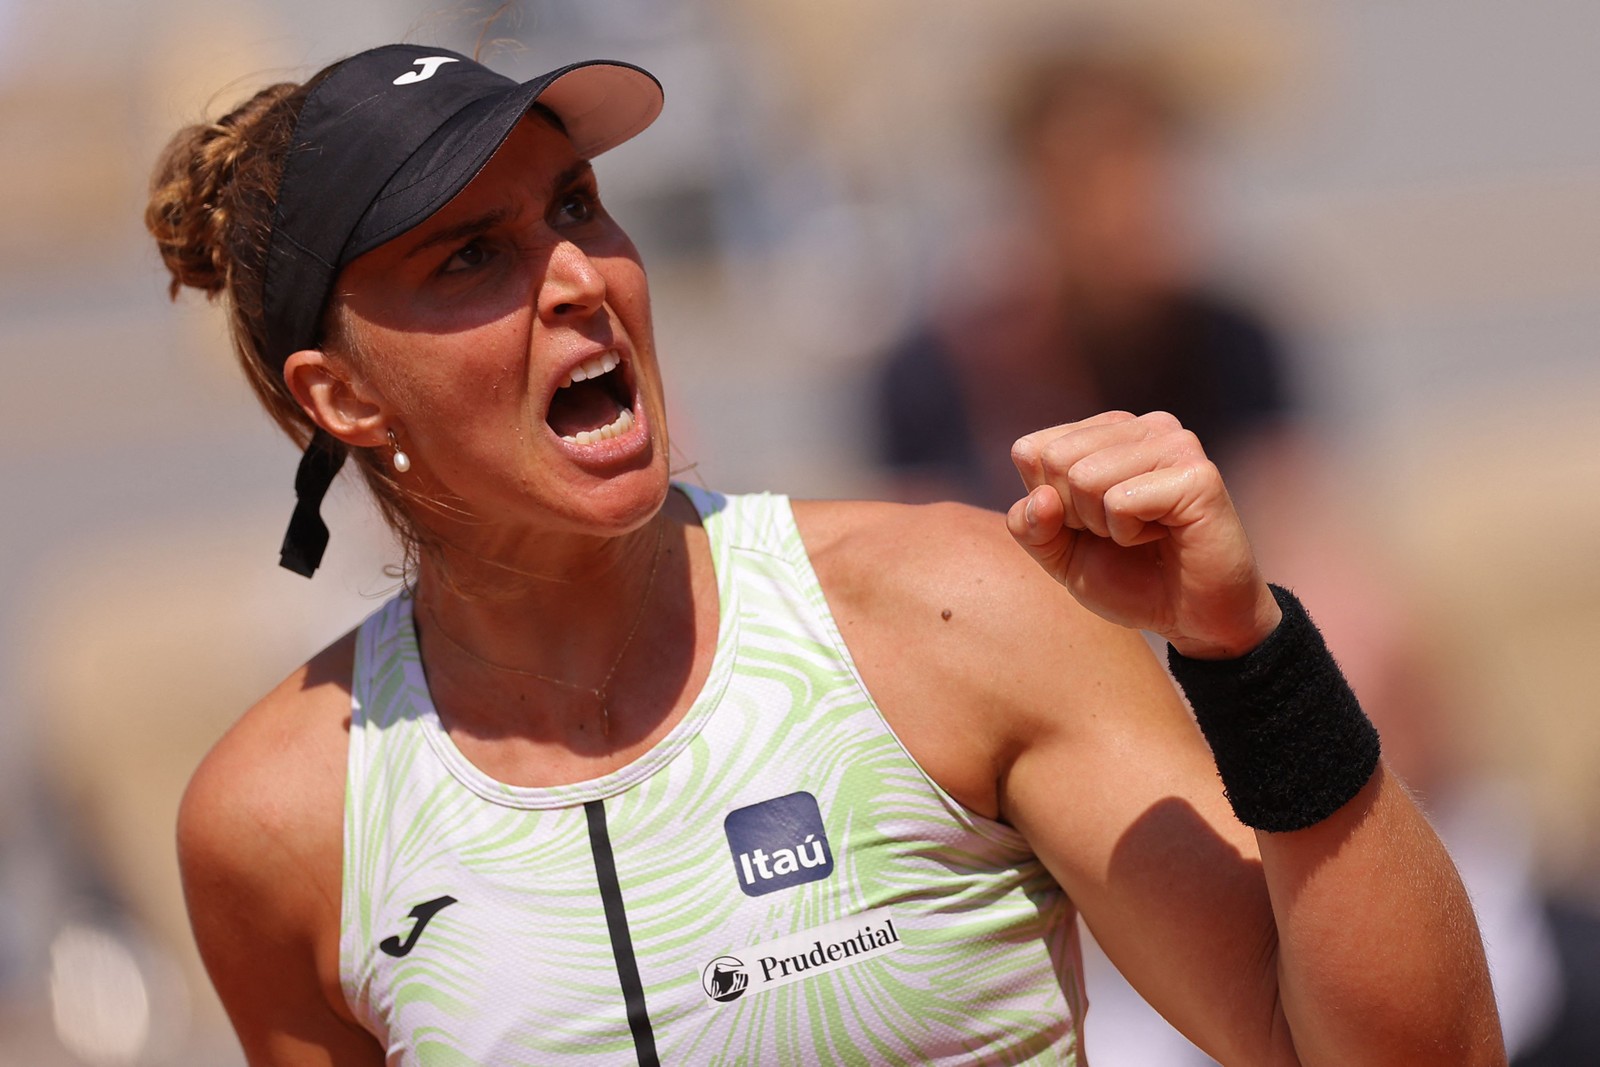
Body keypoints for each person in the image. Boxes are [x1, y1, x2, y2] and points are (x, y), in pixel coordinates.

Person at [146, 43, 1504, 1065]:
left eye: (575, 206)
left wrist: (1252, 651)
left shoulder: (949, 613)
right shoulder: (278, 821)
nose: (578, 277)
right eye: (471, 257)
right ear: (344, 398)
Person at [874, 47, 1292, 512]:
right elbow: (925, 550)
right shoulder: (936, 371)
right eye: (1085, 178)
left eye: (1136, 168)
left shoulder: (1234, 345)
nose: (1118, 211)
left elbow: (1294, 517)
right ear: (1034, 187)